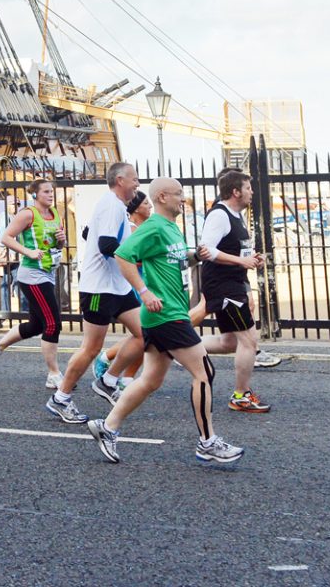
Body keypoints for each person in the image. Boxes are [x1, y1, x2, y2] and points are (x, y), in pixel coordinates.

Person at [83, 177, 241, 465]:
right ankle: (207, 442)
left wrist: (194, 256)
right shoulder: (154, 226)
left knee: (150, 381)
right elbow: (122, 255)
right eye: (179, 194)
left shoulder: (171, 229)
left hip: (166, 315)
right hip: (166, 314)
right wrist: (144, 292)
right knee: (204, 372)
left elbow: (172, 263)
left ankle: (107, 428)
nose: (183, 198)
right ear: (163, 197)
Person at [47, 164, 146, 424]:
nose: (137, 184)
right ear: (120, 180)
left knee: (145, 333)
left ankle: (108, 380)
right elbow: (106, 244)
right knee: (91, 348)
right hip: (99, 288)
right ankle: (61, 397)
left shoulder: (114, 206)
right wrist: (136, 253)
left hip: (117, 285)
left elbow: (89, 233)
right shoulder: (112, 204)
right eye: (134, 179)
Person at [193, 169, 272, 413]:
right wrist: (241, 262)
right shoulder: (219, 214)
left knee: (229, 342)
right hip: (223, 285)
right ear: (235, 191)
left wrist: (250, 258)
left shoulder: (235, 215)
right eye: (248, 188)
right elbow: (206, 250)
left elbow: (234, 250)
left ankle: (182, 345)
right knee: (249, 341)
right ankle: (241, 395)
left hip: (233, 282)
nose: (252, 192)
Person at [0, 180, 68, 387]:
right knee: (52, 323)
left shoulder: (55, 214)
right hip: (32, 274)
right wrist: (28, 252)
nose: (51, 195)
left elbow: (57, 244)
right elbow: (6, 237)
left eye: (52, 191)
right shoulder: (28, 214)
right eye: (46, 192)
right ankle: (54, 374)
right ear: (35, 194)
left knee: (35, 325)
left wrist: (61, 239)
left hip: (48, 272)